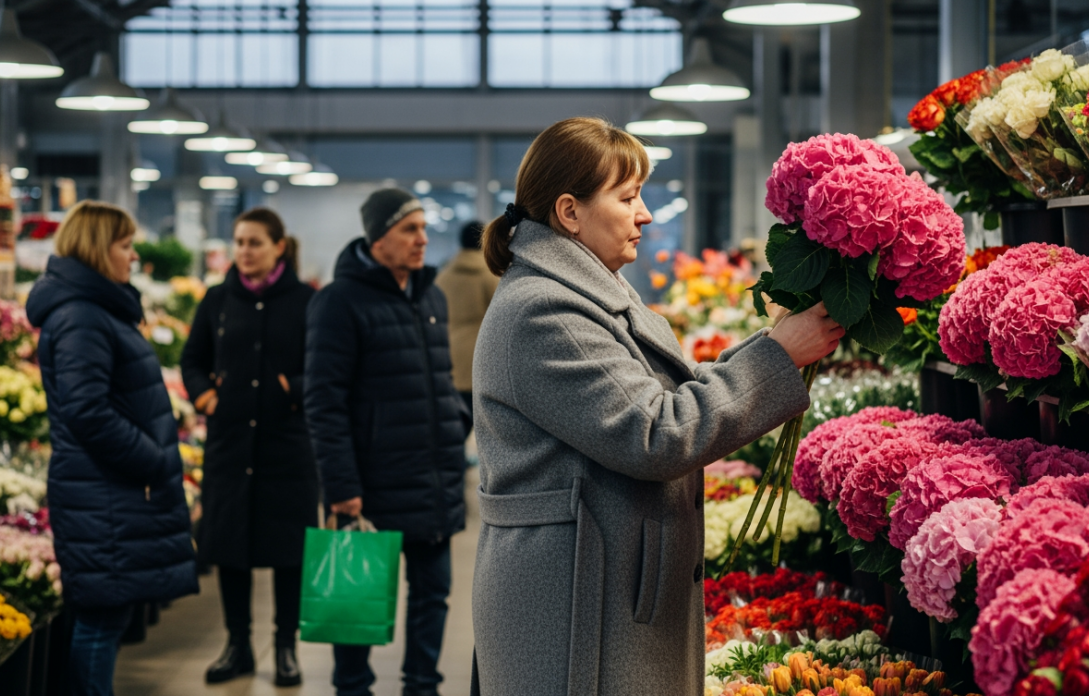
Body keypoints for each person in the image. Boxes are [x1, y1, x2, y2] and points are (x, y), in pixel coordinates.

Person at [469, 117, 845, 694]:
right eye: (628, 197)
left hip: (599, 583)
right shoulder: (544, 313)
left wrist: (776, 347)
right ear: (570, 213)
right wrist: (778, 358)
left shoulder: (586, 292)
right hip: (578, 604)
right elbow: (656, 433)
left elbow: (671, 392)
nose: (645, 215)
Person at [26, 201, 198, 696]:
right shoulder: (82, 316)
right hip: (104, 491)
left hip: (107, 489)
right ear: (98, 249)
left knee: (106, 618)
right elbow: (87, 411)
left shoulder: (96, 309)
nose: (134, 255)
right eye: (125, 245)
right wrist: (151, 457)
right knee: (101, 622)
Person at [304, 188, 469, 696]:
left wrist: (454, 421)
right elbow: (323, 402)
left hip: (432, 475)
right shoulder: (338, 301)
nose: (423, 239)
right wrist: (341, 487)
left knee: (432, 595)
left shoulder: (431, 295)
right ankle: (352, 687)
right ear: (378, 239)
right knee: (356, 597)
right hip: (370, 483)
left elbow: (441, 378)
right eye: (409, 230)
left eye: (422, 228)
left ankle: (422, 686)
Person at [180, 207, 316, 687]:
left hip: (287, 446)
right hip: (231, 446)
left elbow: (322, 368)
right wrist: (205, 395)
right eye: (239, 242)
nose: (244, 251)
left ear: (279, 246)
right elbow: (191, 359)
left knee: (287, 552)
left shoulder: (304, 300)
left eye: (254, 242)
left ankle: (285, 648)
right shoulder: (217, 300)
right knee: (230, 548)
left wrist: (291, 387)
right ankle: (237, 644)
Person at [434, 221, 498, 419]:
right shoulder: (491, 275)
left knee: (456, 425)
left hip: (447, 359)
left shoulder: (443, 277)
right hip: (481, 361)